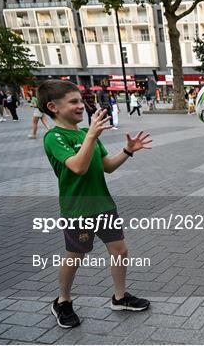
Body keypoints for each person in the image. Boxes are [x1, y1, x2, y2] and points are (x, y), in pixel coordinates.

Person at [37, 80, 152, 328]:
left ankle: (120, 298)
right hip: (78, 210)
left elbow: (107, 166)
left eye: (81, 100)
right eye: (74, 101)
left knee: (120, 251)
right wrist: (91, 134)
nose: (81, 105)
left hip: (103, 205)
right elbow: (78, 167)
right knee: (75, 256)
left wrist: (128, 151)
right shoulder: (54, 137)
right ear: (53, 107)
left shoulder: (84, 133)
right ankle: (63, 301)